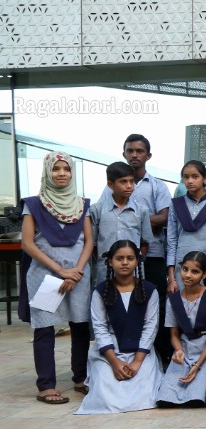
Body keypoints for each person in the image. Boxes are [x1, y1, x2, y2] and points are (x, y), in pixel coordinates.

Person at [21, 151, 94, 404]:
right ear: (47, 172)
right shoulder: (33, 205)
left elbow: (89, 242)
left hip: (79, 275)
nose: (62, 173)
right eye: (56, 169)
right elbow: (28, 244)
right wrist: (61, 270)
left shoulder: (82, 204)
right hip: (44, 276)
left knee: (80, 326)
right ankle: (46, 385)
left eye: (66, 169)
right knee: (44, 329)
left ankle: (80, 378)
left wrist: (76, 271)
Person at [105, 135, 172, 359]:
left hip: (151, 256)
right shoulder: (110, 187)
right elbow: (106, 217)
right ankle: (125, 353)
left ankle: (160, 357)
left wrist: (134, 219)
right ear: (124, 153)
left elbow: (164, 218)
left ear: (148, 155)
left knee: (156, 307)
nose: (135, 154)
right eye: (130, 150)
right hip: (119, 262)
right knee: (124, 306)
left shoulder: (157, 186)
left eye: (140, 151)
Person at [78, 241, 163, 414]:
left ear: (137, 262)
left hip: (141, 350)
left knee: (147, 393)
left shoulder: (149, 290)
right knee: (105, 394)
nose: (125, 262)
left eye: (130, 258)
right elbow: (100, 328)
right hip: (110, 351)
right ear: (110, 261)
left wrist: (137, 362)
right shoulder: (100, 291)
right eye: (119, 258)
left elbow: (150, 327)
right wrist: (114, 362)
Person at [157, 251, 206, 407]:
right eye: (185, 269)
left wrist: (197, 365)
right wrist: (178, 350)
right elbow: (174, 335)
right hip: (185, 349)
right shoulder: (173, 299)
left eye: (194, 271)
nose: (188, 275)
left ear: (204, 274)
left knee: (195, 398)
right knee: (165, 398)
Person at [90, 161, 155, 285]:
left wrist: (136, 261)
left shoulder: (141, 211)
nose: (129, 186)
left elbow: (145, 243)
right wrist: (105, 261)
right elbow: (92, 245)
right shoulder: (96, 210)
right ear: (110, 184)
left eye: (132, 181)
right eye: (123, 181)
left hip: (133, 273)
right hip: (105, 272)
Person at [167, 161, 206, 293]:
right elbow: (171, 241)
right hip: (182, 266)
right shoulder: (176, 204)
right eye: (186, 177)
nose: (190, 181)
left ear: (205, 179)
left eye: (195, 176)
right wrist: (171, 278)